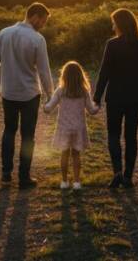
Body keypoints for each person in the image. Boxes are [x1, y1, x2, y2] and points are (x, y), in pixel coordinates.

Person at [0, 2, 54, 188]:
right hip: (30, 93)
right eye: (43, 20)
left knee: (9, 131)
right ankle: (24, 177)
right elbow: (44, 71)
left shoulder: (4, 33)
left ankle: (6, 174)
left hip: (8, 91)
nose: (43, 24)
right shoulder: (37, 39)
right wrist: (50, 95)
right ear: (34, 16)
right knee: (28, 136)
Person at [93, 8, 138, 188]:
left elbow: (104, 72)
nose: (112, 26)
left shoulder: (112, 44)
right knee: (131, 136)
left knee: (113, 134)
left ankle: (117, 172)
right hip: (136, 97)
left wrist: (97, 97)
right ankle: (128, 176)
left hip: (115, 97)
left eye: (113, 22)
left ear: (119, 23)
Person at [43, 61, 100, 190]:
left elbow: (49, 107)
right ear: (81, 75)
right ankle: (77, 182)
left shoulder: (61, 90)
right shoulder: (83, 91)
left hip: (64, 128)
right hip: (78, 128)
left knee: (64, 154)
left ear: (64, 75)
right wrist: (98, 107)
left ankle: (64, 182)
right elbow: (91, 110)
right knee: (76, 155)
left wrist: (44, 107)